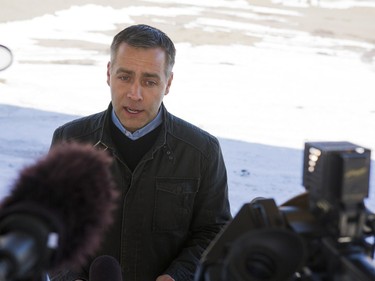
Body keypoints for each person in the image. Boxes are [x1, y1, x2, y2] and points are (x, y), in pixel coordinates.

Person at [49, 24, 231, 281]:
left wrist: (177, 276)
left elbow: (214, 231)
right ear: (109, 73)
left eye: (149, 81)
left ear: (168, 83)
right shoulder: (69, 142)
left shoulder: (203, 152)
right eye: (125, 77)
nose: (135, 94)